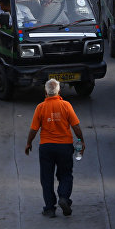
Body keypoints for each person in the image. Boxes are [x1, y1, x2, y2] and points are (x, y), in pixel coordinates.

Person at [25, 79, 85, 218]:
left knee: (46, 178)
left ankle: (50, 208)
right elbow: (76, 126)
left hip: (46, 147)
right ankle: (64, 198)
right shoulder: (66, 105)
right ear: (59, 91)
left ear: (45, 92)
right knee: (65, 174)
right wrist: (81, 141)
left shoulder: (40, 107)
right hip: (65, 147)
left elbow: (34, 129)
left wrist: (29, 143)